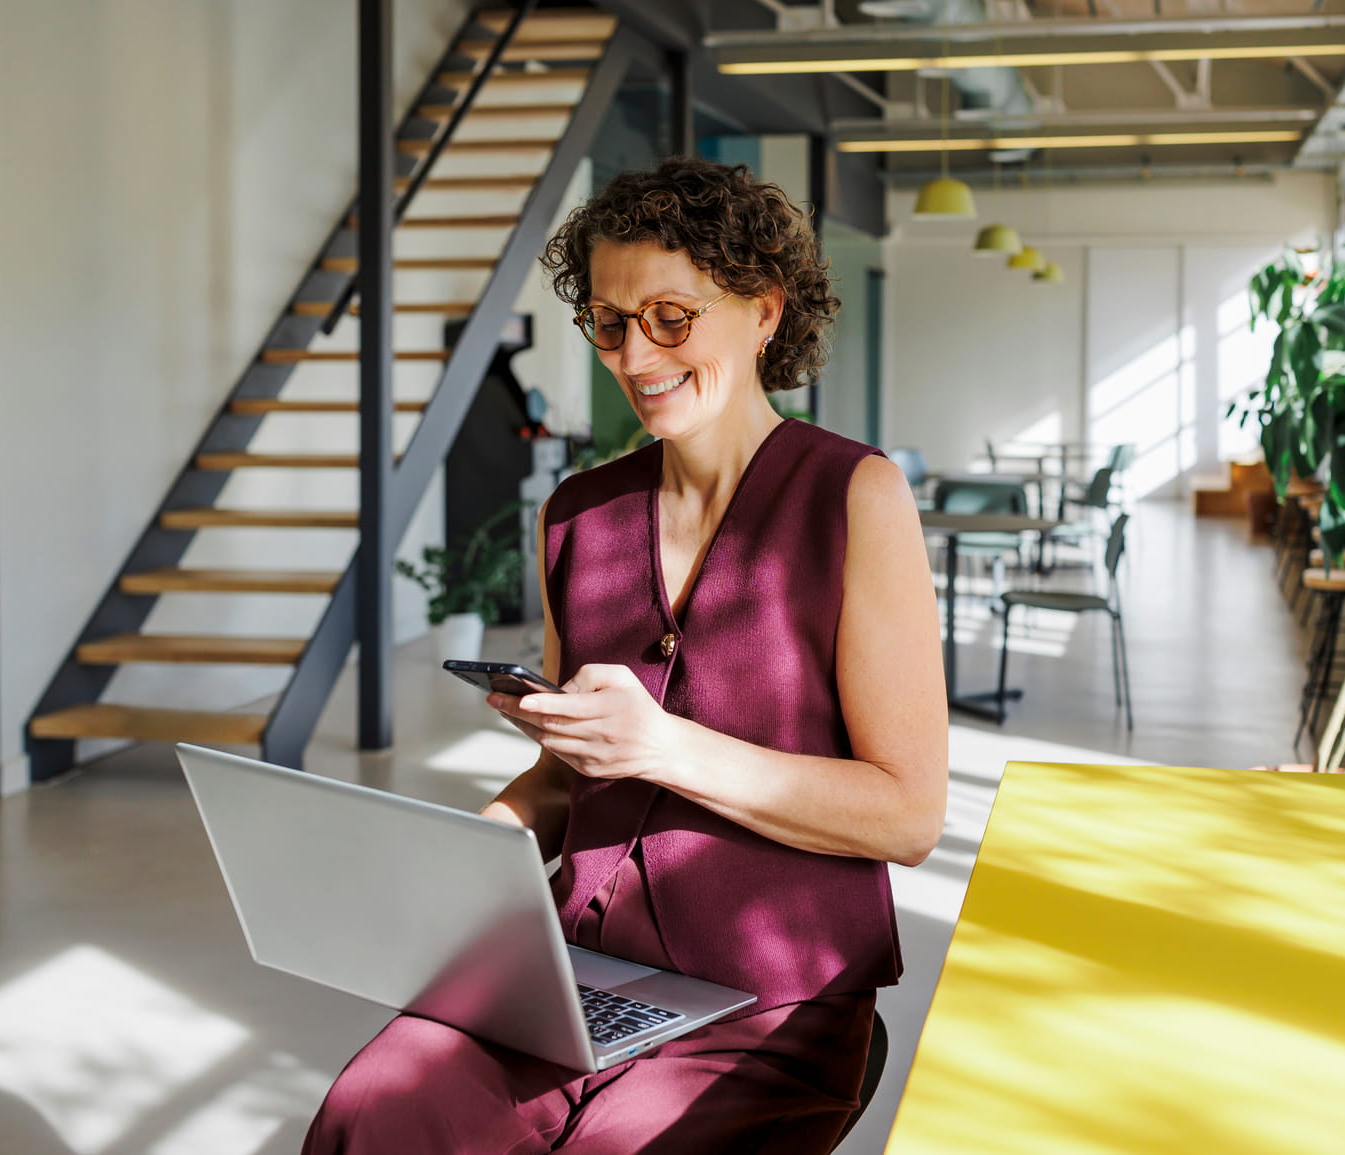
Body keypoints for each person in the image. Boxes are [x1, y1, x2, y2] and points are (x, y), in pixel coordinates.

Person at [302, 157, 947, 1154]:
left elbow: (906, 815)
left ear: (763, 312)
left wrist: (662, 746)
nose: (634, 354)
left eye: (670, 318)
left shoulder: (854, 497)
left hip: (769, 1005)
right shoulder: (575, 515)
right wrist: (458, 862)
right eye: (608, 322)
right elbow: (567, 781)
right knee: (371, 1107)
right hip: (575, 974)